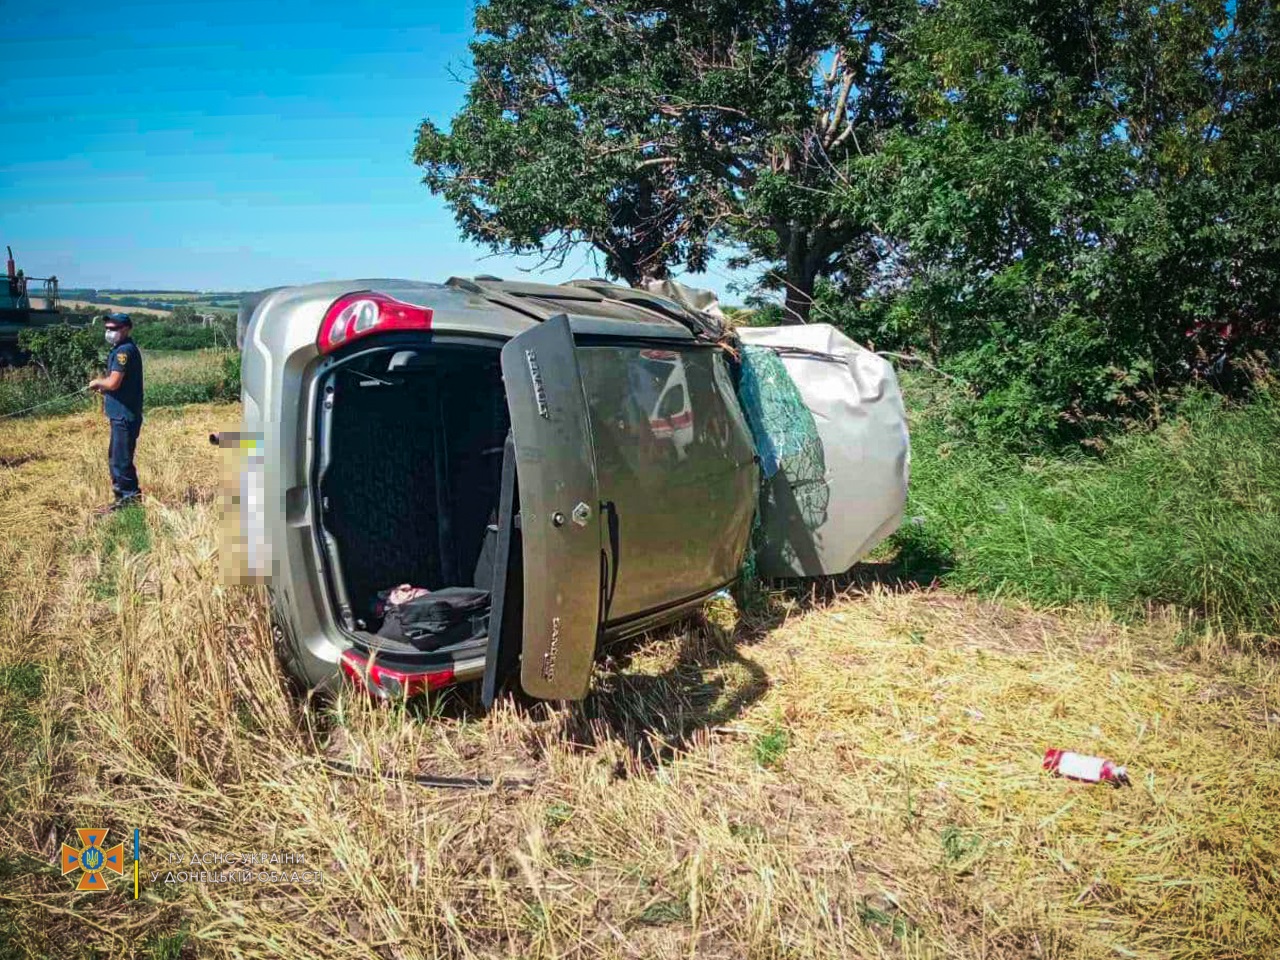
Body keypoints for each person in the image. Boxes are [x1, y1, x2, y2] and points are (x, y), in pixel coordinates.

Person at [89, 313, 144, 511]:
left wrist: (98, 383)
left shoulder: (124, 352)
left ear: (126, 329)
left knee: (121, 460)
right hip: (120, 413)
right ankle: (122, 497)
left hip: (124, 414)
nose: (109, 332)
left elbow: (113, 382)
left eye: (114, 328)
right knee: (116, 458)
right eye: (107, 328)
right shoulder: (120, 349)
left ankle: (129, 500)